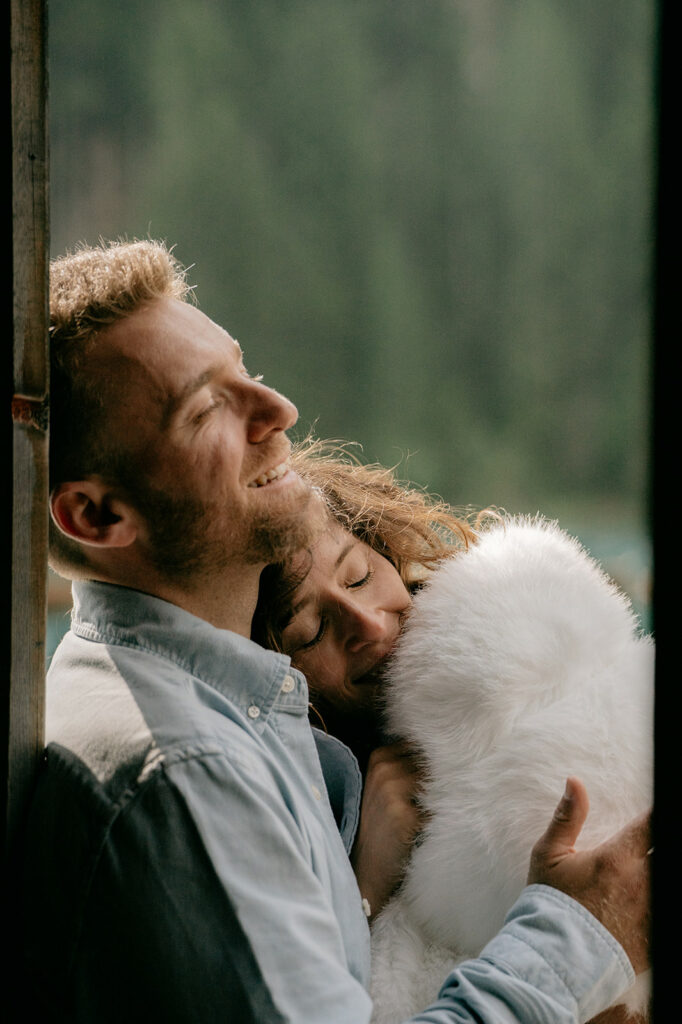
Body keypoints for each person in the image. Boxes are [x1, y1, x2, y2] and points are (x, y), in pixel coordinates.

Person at [20, 238, 649, 1024]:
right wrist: (579, 935)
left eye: (242, 368)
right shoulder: (187, 773)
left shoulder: (229, 713)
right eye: (208, 406)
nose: (276, 409)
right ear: (97, 515)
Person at [251, 441, 653, 1021]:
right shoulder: (292, 811)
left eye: (360, 575)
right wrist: (366, 881)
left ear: (383, 545)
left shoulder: (522, 628)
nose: (367, 623)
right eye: (313, 632)